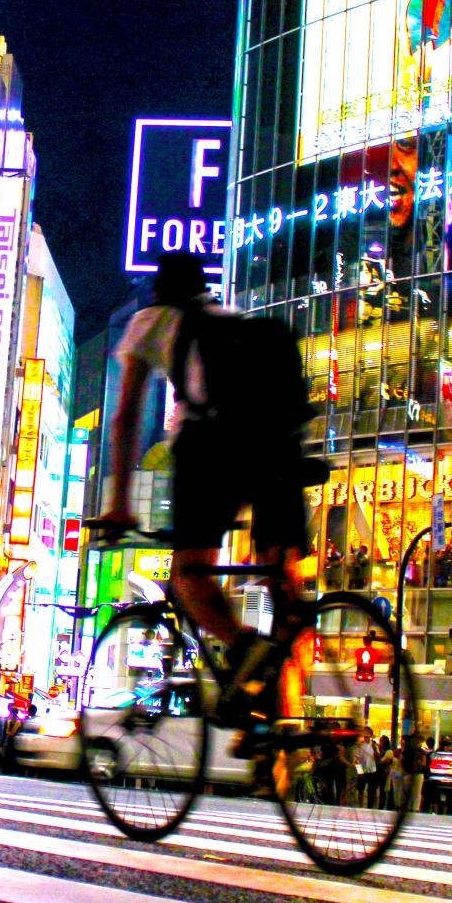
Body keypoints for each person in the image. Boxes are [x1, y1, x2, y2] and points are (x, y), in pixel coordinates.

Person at [94, 252, 316, 733]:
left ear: (158, 288)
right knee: (281, 578)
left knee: (190, 572)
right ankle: (276, 722)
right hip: (279, 445)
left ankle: (242, 645)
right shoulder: (231, 320)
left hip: (213, 448)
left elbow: (127, 414)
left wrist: (119, 505)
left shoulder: (150, 321)